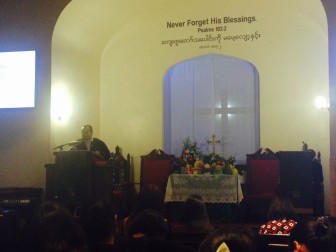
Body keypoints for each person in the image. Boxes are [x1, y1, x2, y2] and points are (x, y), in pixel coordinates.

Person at [308, 149, 324, 216]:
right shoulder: (312, 163)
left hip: (315, 187)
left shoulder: (316, 164)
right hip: (312, 186)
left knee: (314, 204)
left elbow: (319, 178)